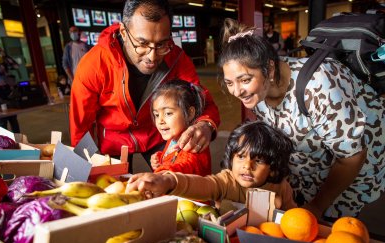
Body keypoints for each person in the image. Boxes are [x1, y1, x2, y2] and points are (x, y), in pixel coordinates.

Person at [218, 18, 385, 221]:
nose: (237, 91)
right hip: (311, 167)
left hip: (350, 170)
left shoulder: (320, 87)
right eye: (229, 83)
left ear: (269, 70)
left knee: (333, 232)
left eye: (245, 80)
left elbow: (352, 157)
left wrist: (317, 206)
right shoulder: (258, 94)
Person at [70, 0, 220, 172]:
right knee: (114, 191)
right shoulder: (94, 64)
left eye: (161, 44)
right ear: (123, 32)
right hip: (113, 140)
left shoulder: (176, 58)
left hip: (158, 134)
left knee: (180, 185)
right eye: (142, 44)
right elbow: (81, 125)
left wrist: (205, 125)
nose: (152, 56)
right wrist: (81, 169)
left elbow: (202, 100)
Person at [126, 121, 297, 211]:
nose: (247, 166)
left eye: (258, 161)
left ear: (273, 167)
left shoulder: (281, 187)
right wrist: (169, 181)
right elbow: (203, 184)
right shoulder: (227, 181)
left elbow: (294, 220)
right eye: (241, 157)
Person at [150, 79, 211, 176]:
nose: (160, 121)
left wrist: (161, 174)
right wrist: (159, 157)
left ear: (190, 113)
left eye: (168, 113)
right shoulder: (174, 138)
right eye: (156, 115)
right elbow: (173, 158)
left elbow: (185, 167)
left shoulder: (193, 143)